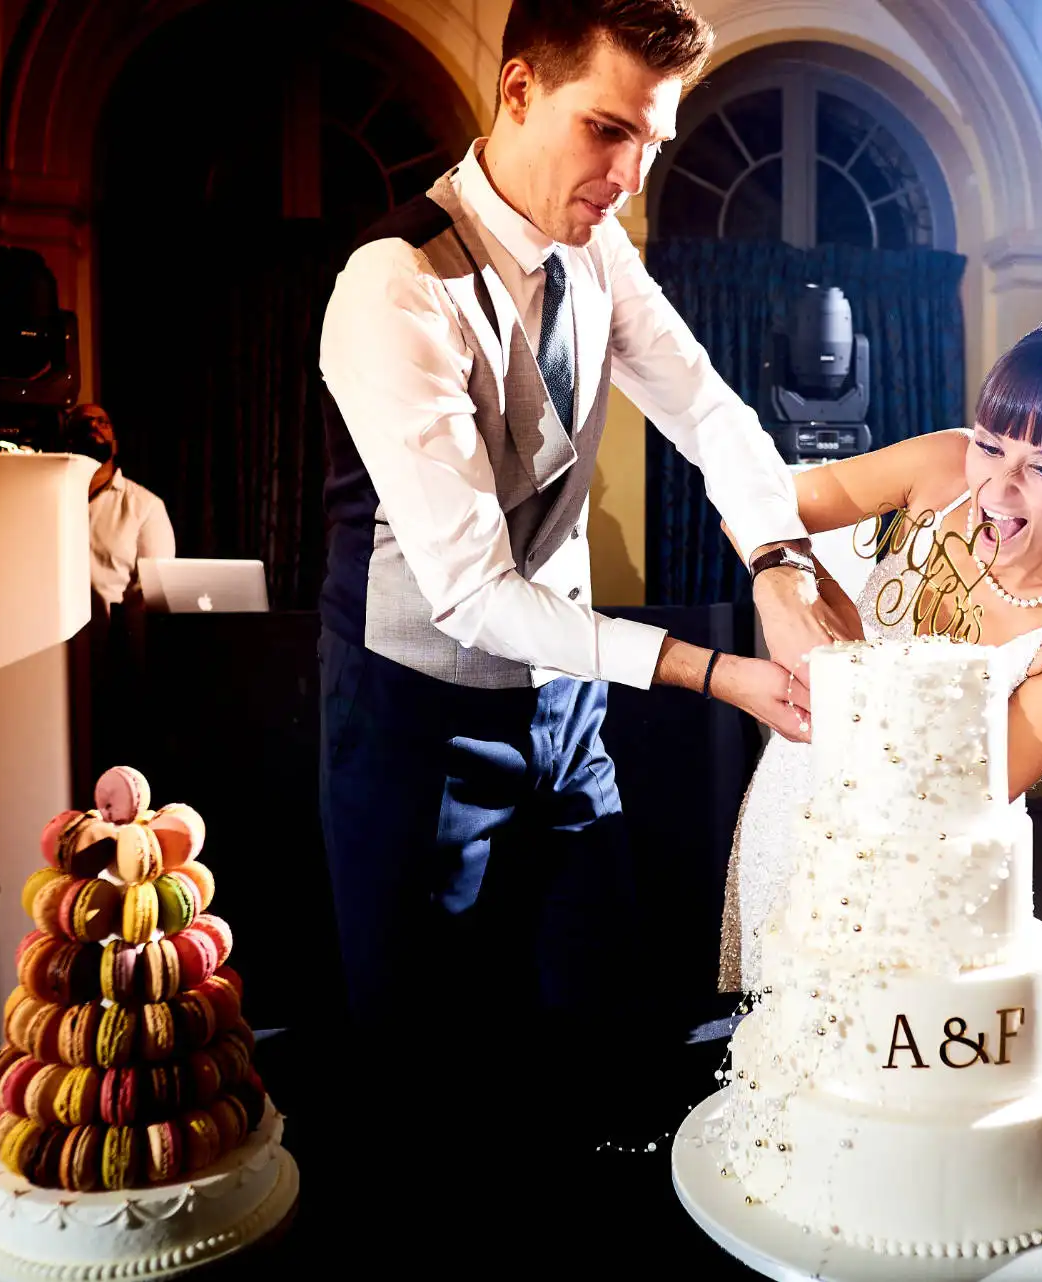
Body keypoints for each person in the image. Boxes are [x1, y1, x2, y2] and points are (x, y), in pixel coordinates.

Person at [314, 0, 850, 1172]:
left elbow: (710, 412)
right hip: (419, 725)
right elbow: (469, 591)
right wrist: (712, 669)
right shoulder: (394, 286)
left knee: (607, 1034)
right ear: (517, 92)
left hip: (567, 716)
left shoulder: (600, 247)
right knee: (430, 1079)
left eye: (649, 144)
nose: (627, 174)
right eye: (607, 130)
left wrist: (777, 566)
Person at [719, 317, 1042, 991]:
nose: (998, 491)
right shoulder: (940, 466)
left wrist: (859, 679)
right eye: (990, 446)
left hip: (930, 879)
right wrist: (786, 582)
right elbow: (751, 499)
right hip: (800, 804)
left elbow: (969, 797)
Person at [71, 403, 174, 611]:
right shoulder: (48, 500)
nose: (93, 425)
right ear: (68, 441)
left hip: (109, 637)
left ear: (115, 445)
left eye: (103, 422)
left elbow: (152, 592)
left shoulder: (146, 506)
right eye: (83, 423)